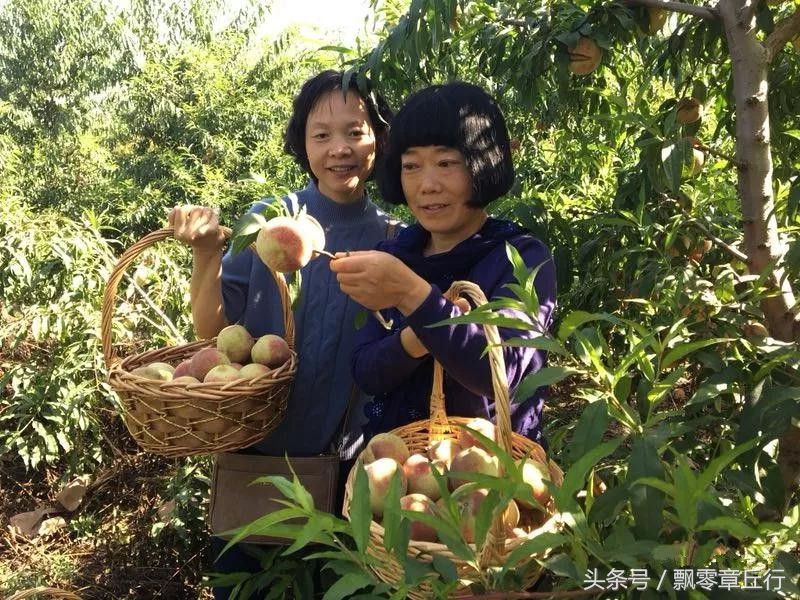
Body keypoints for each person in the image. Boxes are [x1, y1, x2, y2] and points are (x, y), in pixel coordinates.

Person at [168, 69, 396, 599]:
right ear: (302, 143)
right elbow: (215, 330)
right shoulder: (269, 222)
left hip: (349, 469)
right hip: (259, 458)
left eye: (355, 131)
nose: (339, 148)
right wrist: (206, 252)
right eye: (321, 135)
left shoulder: (395, 239)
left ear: (378, 140)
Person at [330, 82, 556, 447]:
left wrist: (412, 295)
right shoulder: (396, 254)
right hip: (401, 470)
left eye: (447, 163)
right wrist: (417, 338)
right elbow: (366, 372)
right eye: (411, 166)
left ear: (483, 165)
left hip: (491, 475)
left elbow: (503, 372)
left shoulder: (519, 258)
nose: (427, 184)